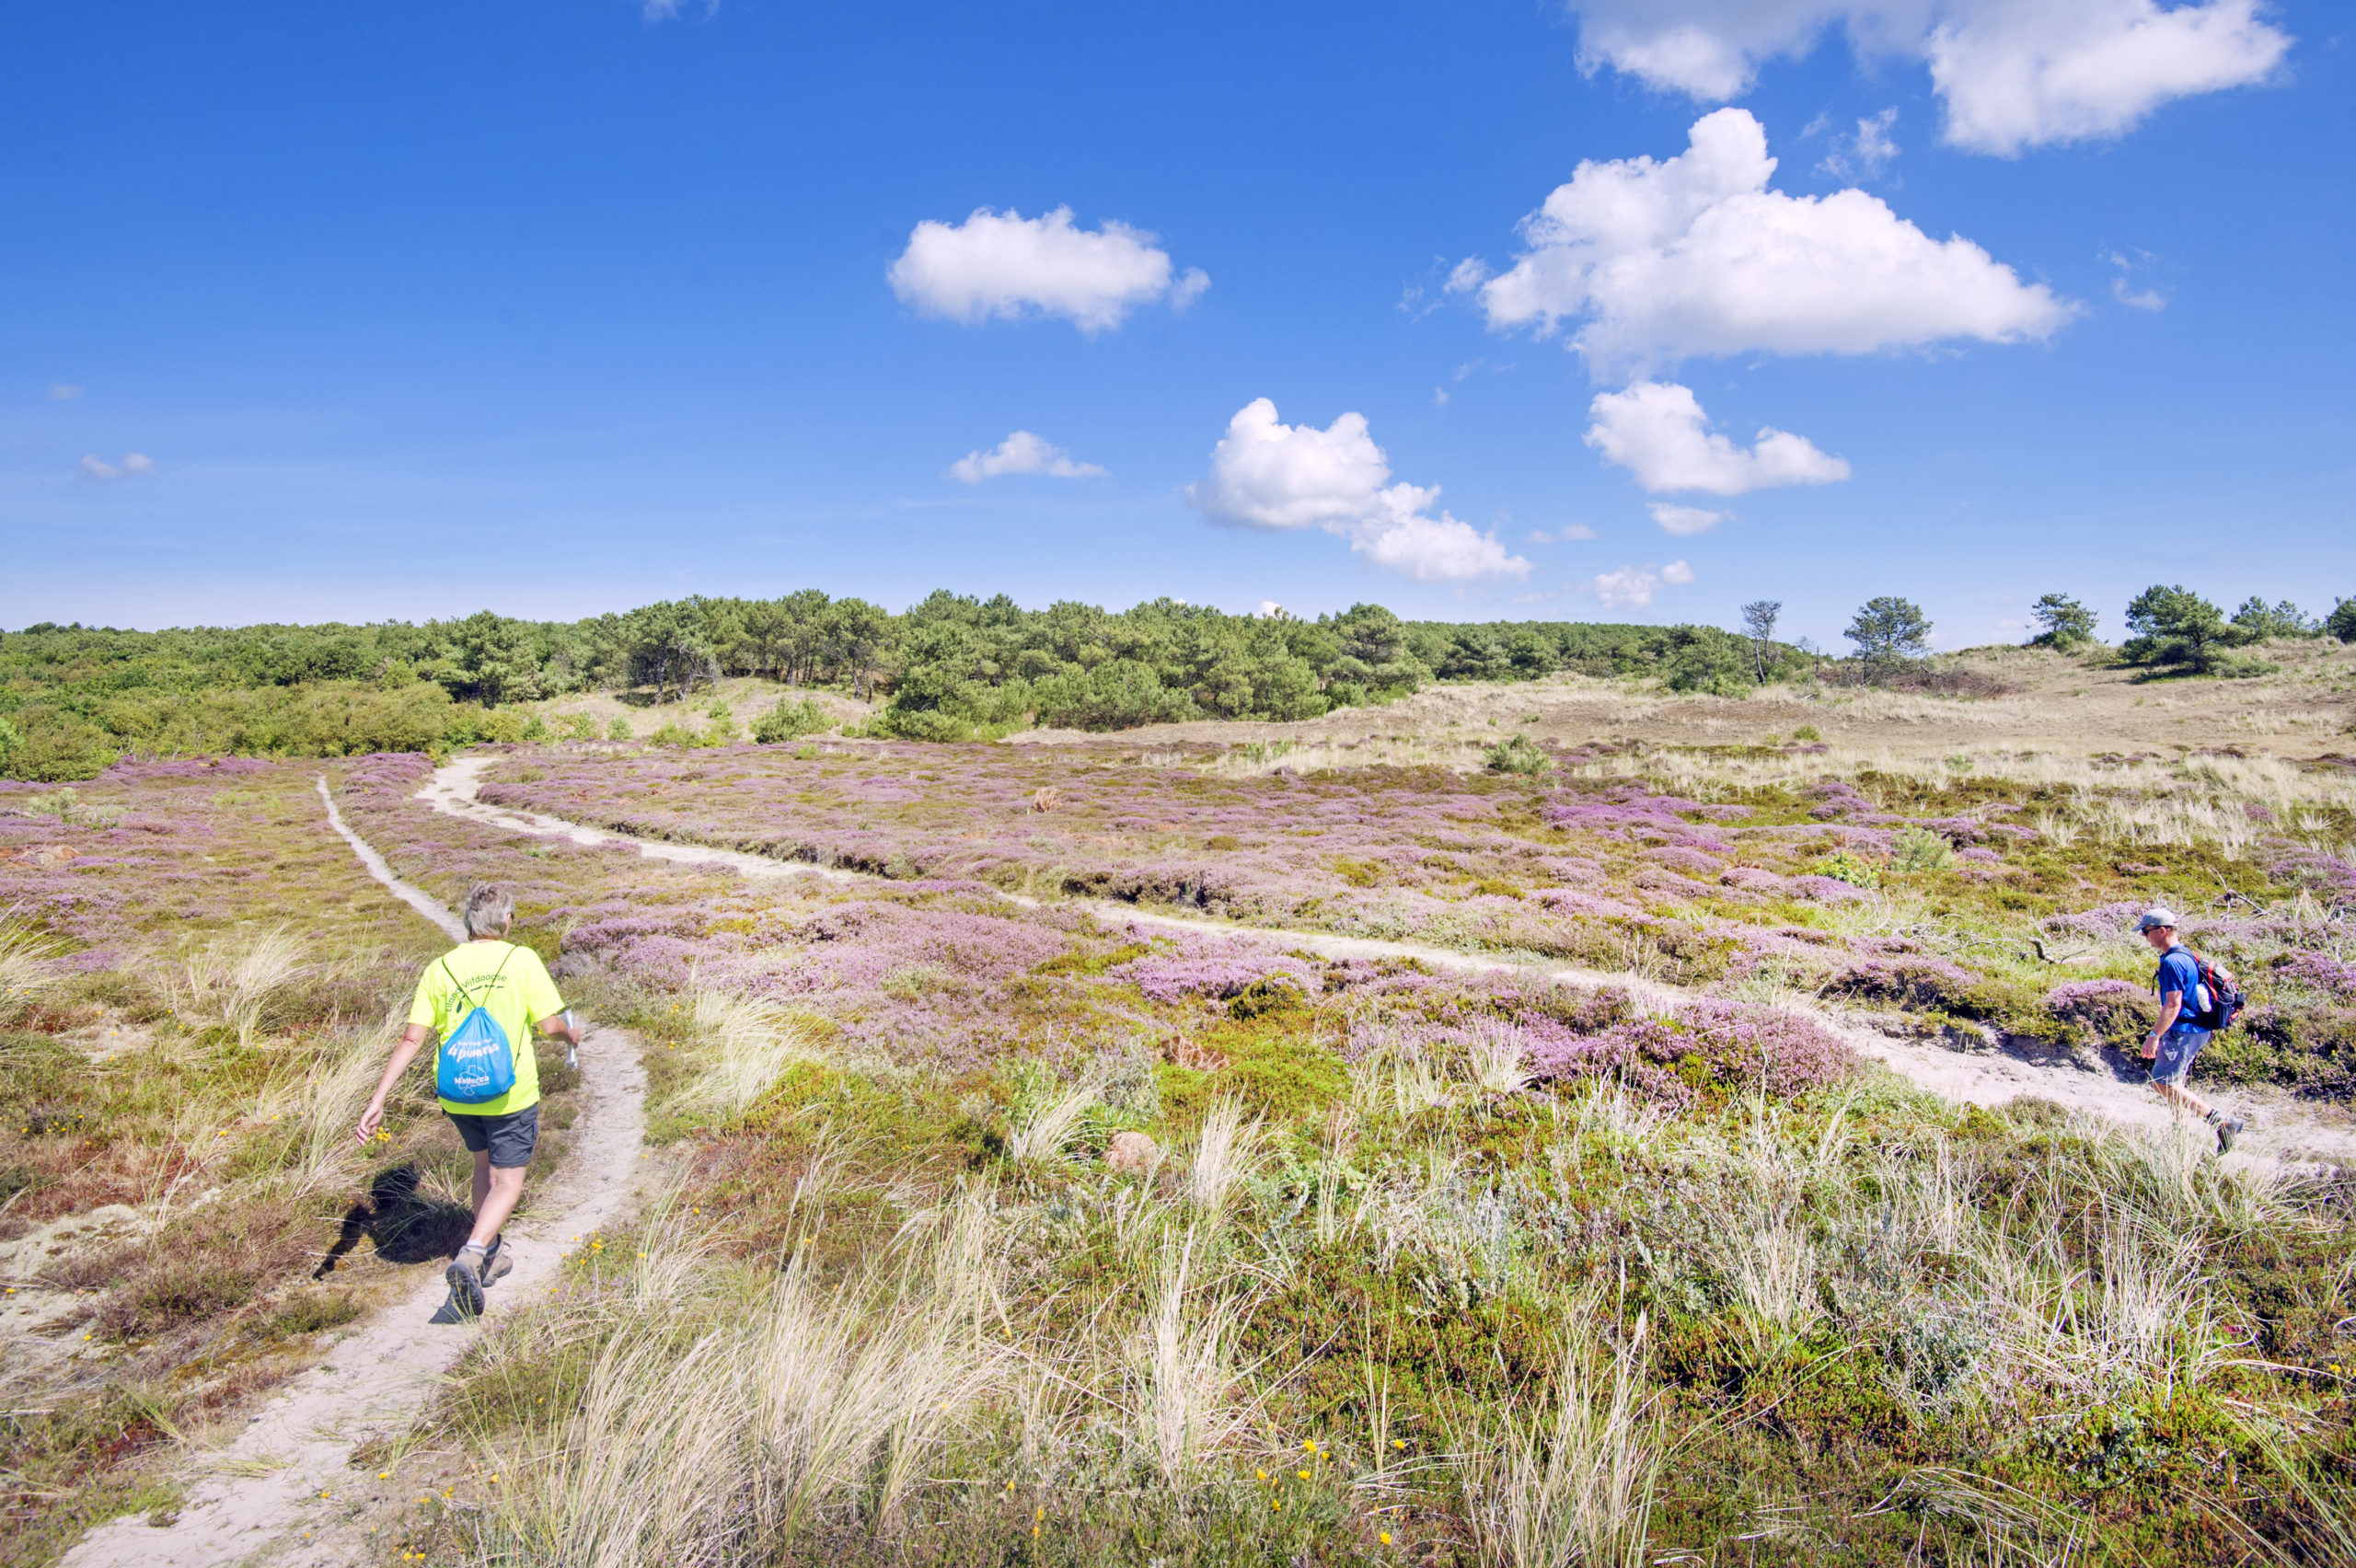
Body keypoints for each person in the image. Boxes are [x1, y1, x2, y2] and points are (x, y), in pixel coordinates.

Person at [355, 883, 583, 1319]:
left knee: (483, 1167)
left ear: (467, 923)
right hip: (510, 1094)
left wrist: (378, 1097)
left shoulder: (439, 969)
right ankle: (472, 1253)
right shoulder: (521, 960)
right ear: (507, 921)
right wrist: (569, 1034)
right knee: (508, 1181)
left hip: (459, 1095)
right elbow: (547, 1023)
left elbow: (411, 1038)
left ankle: (493, 1253)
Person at [2136, 907, 2246, 1154]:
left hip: (2183, 1030)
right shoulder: (2184, 955)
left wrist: (2154, 1037)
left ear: (2162, 930)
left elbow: (2173, 1005)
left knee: (2162, 1083)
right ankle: (2180, 1133)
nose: (2145, 937)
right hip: (2196, 1029)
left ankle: (2222, 1122)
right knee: (2175, 1082)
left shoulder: (2173, 962)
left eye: (2146, 932)